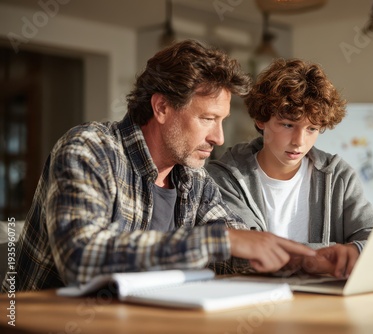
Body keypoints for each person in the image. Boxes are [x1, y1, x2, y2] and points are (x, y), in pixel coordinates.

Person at [2, 40, 316, 292]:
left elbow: (238, 249)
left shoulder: (194, 178)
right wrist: (223, 240)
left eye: (221, 121)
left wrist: (308, 260)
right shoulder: (89, 150)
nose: (218, 137)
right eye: (207, 119)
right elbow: (80, 257)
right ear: (162, 107)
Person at [206, 58, 373, 278]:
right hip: (254, 300)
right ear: (261, 119)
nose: (299, 141)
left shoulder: (338, 176)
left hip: (324, 302)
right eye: (288, 125)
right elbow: (246, 255)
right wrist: (320, 257)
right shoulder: (223, 178)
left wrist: (354, 250)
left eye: (312, 129)